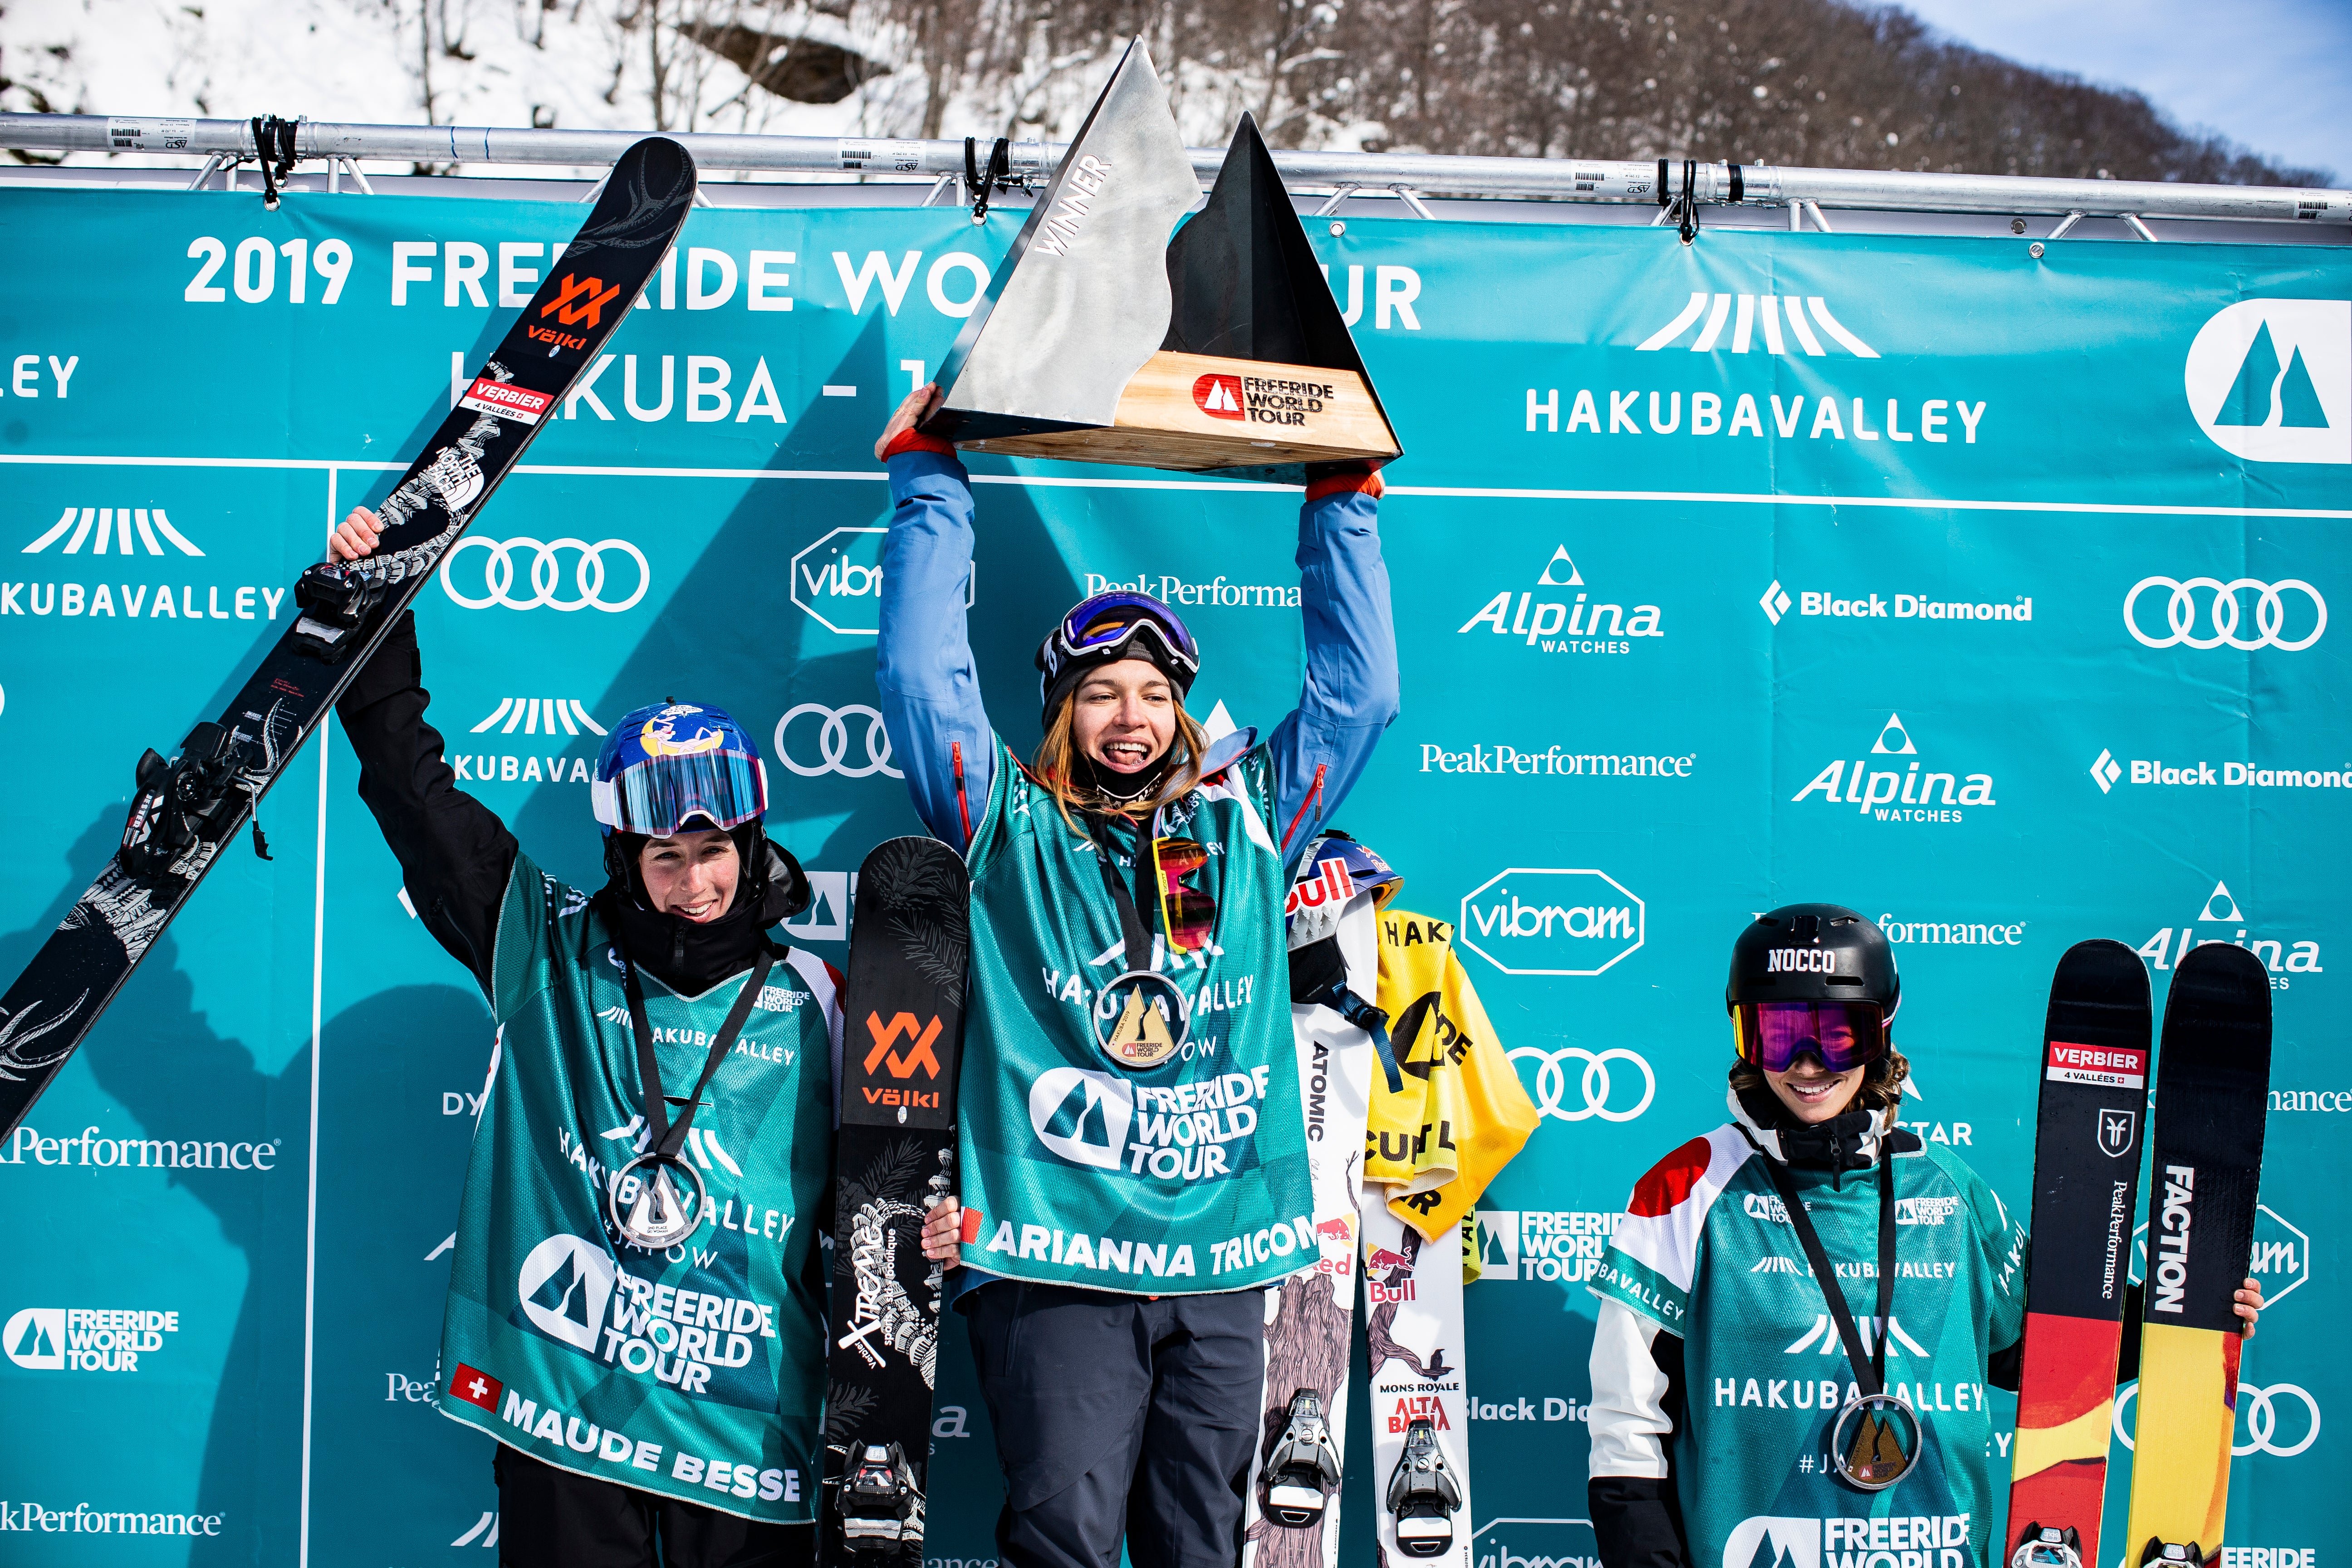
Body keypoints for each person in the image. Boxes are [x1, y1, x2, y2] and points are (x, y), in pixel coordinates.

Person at [871, 386, 1399, 1568]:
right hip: (1055, 1256)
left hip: (1220, 1260)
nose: (1131, 715)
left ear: (1181, 712)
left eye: (1155, 693)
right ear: (1061, 710)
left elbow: (1361, 699)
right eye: (1102, 691)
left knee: (1200, 1542)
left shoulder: (1254, 823)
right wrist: (930, 483)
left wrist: (1342, 505)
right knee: (1060, 1531)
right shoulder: (1004, 822)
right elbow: (923, 680)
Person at [327, 506, 843, 1568]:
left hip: (744, 1425)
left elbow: (882, 1187)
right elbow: (417, 803)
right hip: (569, 1408)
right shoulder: (546, 948)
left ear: (749, 845)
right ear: (621, 859)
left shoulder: (819, 995)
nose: (694, 883)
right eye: (663, 857)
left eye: (713, 851)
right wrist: (376, 605)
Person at [1585, 904, 2263, 1568]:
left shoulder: (1944, 1185)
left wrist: (2179, 1319)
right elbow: (1628, 1429)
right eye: (1780, 1034)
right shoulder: (1687, 1190)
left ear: (1880, 1033)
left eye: (1840, 1035)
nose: (1810, 1064)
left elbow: (2036, 1350)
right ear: (1744, 1037)